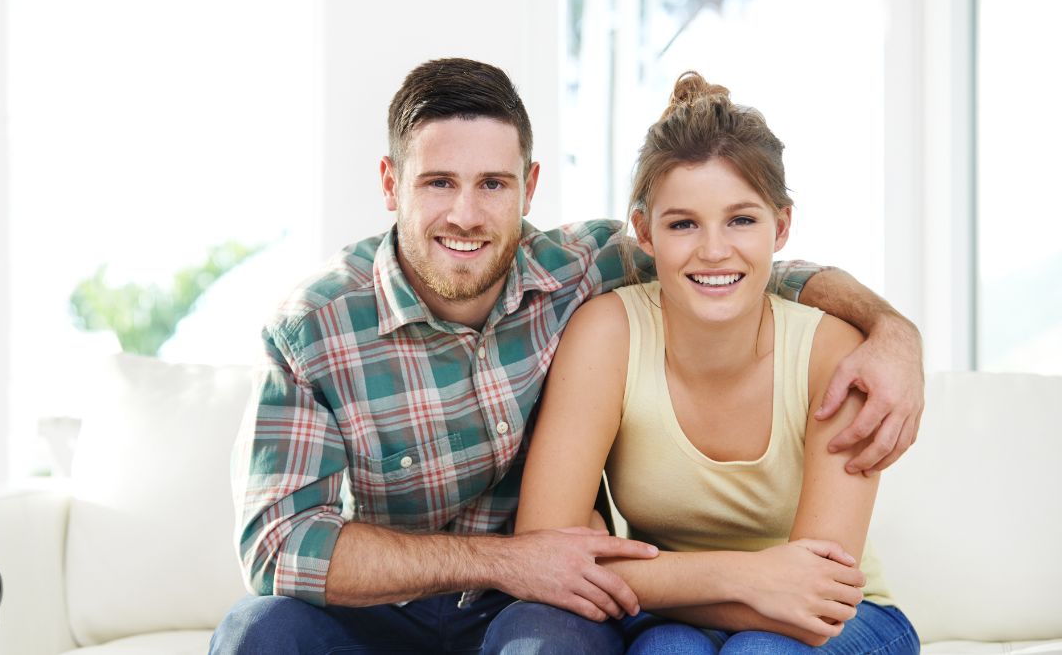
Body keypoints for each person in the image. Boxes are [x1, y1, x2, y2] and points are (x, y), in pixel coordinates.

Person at [209, 58, 924, 655]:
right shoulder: (312, 329)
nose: (466, 213)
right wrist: (507, 559)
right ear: (392, 184)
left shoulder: (578, 268)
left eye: (493, 183)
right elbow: (280, 546)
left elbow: (728, 266)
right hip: (401, 602)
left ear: (529, 187)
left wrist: (892, 329)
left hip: (535, 605)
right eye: (438, 183)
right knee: (257, 631)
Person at [509, 72, 920, 654]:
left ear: (781, 227)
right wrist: (746, 576)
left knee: (759, 652)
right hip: (675, 616)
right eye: (683, 224)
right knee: (668, 651)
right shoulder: (609, 334)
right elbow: (546, 552)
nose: (713, 250)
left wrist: (650, 580)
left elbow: (814, 604)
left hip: (849, 621)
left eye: (741, 219)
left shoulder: (833, 353)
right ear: (645, 233)